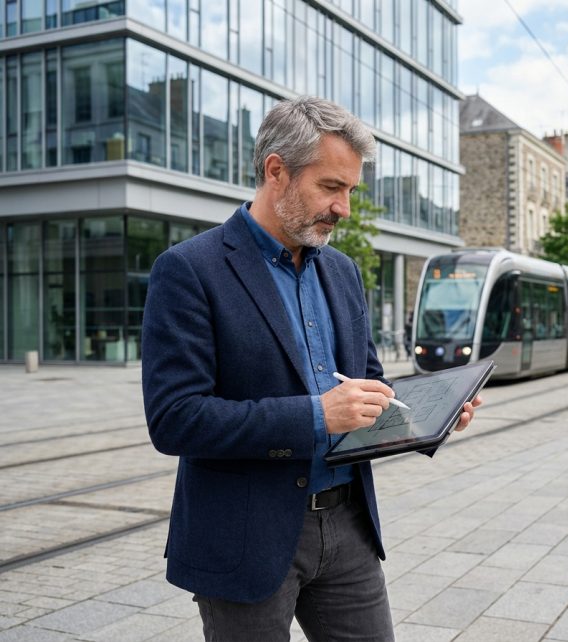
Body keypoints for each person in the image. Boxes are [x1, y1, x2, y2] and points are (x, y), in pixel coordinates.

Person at [141, 96, 481, 642]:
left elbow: (368, 383)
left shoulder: (342, 272)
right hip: (246, 538)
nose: (343, 208)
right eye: (330, 187)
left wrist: (432, 412)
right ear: (277, 171)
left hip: (348, 527)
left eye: (349, 190)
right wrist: (317, 416)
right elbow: (176, 419)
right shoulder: (189, 270)